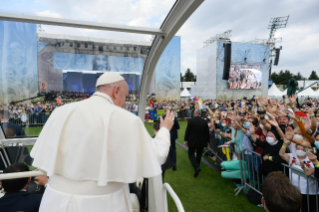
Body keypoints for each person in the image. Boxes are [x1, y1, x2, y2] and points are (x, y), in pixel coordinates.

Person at [30, 72, 174, 212]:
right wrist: (165, 129)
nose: (124, 102)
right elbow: (157, 155)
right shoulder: (125, 118)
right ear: (116, 91)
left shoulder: (60, 112)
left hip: (55, 202)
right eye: (125, 96)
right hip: (102, 204)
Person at [184, 109, 210, 177]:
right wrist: (208, 141)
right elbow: (207, 133)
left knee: (191, 155)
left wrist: (185, 140)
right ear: (200, 114)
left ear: (195, 113)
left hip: (192, 140)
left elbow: (187, 131)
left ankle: (196, 167)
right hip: (201, 141)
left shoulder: (191, 120)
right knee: (199, 155)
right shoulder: (204, 121)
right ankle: (197, 167)